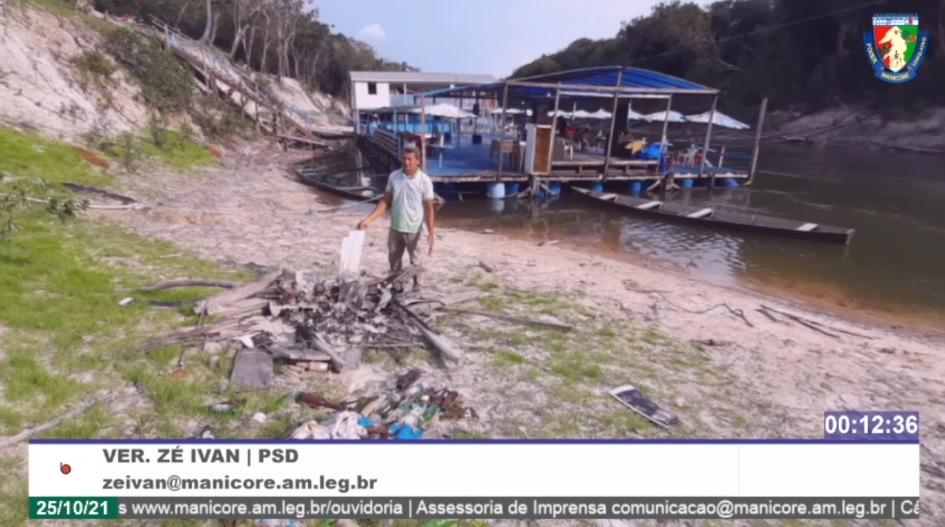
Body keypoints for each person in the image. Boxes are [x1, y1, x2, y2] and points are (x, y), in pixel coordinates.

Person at [357, 144, 435, 291]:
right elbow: (386, 201)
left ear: (418, 161)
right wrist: (369, 220)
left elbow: (430, 208)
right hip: (395, 228)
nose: (406, 162)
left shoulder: (424, 181)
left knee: (416, 264)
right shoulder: (394, 177)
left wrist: (431, 234)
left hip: (414, 230)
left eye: (410, 159)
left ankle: (418, 289)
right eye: (404, 159)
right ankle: (396, 289)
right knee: (394, 262)